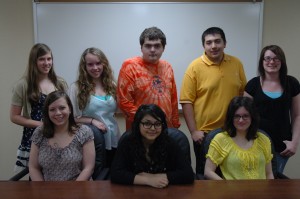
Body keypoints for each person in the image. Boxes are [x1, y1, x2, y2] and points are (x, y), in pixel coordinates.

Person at [180, 27, 247, 174]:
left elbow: (243, 96)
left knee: (231, 174)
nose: (214, 46)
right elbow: (186, 102)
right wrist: (194, 131)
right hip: (204, 135)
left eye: (218, 41)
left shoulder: (236, 64)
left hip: (233, 131)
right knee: (206, 177)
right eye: (209, 42)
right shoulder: (194, 67)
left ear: (225, 43)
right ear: (203, 45)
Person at [10, 43, 68, 172]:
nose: (46, 63)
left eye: (49, 59)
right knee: (36, 177)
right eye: (41, 59)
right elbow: (14, 117)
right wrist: (41, 124)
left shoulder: (60, 83)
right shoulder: (23, 85)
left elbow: (66, 110)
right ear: (34, 61)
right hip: (36, 136)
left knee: (59, 175)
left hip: (58, 135)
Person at [244, 45, 300, 173]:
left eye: (276, 59)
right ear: (262, 62)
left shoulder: (292, 83)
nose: (271, 62)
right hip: (255, 144)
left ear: (282, 61)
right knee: (254, 181)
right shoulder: (252, 85)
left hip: (282, 146)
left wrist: (294, 143)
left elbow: (297, 116)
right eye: (267, 58)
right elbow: (245, 116)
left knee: (274, 182)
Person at [111, 104, 194, 188]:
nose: (153, 128)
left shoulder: (170, 142)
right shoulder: (127, 142)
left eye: (157, 124)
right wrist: (147, 180)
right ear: (138, 124)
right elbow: (115, 174)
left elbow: (188, 174)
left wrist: (157, 177)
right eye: (147, 123)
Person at [117, 26, 180, 130]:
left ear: (163, 48)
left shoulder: (167, 67)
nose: (152, 50)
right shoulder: (130, 66)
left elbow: (173, 100)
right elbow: (124, 102)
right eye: (148, 46)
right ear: (141, 47)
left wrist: (175, 125)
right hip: (140, 130)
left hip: (165, 129)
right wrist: (149, 123)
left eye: (157, 46)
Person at [69, 47, 120, 168]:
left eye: (98, 63)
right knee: (97, 178)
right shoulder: (76, 88)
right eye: (90, 64)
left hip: (113, 138)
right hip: (91, 141)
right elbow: (70, 118)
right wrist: (92, 121)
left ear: (104, 64)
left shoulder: (112, 85)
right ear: (84, 66)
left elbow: (117, 111)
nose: (95, 68)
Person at [29, 91, 95, 181]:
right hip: (47, 191)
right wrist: (41, 190)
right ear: (47, 112)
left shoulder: (84, 132)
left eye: (62, 108)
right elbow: (33, 168)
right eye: (52, 109)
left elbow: (88, 168)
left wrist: (73, 191)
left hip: (78, 189)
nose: (58, 113)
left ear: (70, 109)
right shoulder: (39, 133)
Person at [204, 96, 274, 180]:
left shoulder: (263, 139)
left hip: (261, 192)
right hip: (233, 192)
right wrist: (225, 186)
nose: (241, 120)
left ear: (252, 117)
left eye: (245, 116)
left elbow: (269, 174)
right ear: (231, 118)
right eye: (236, 116)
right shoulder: (221, 139)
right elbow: (208, 171)